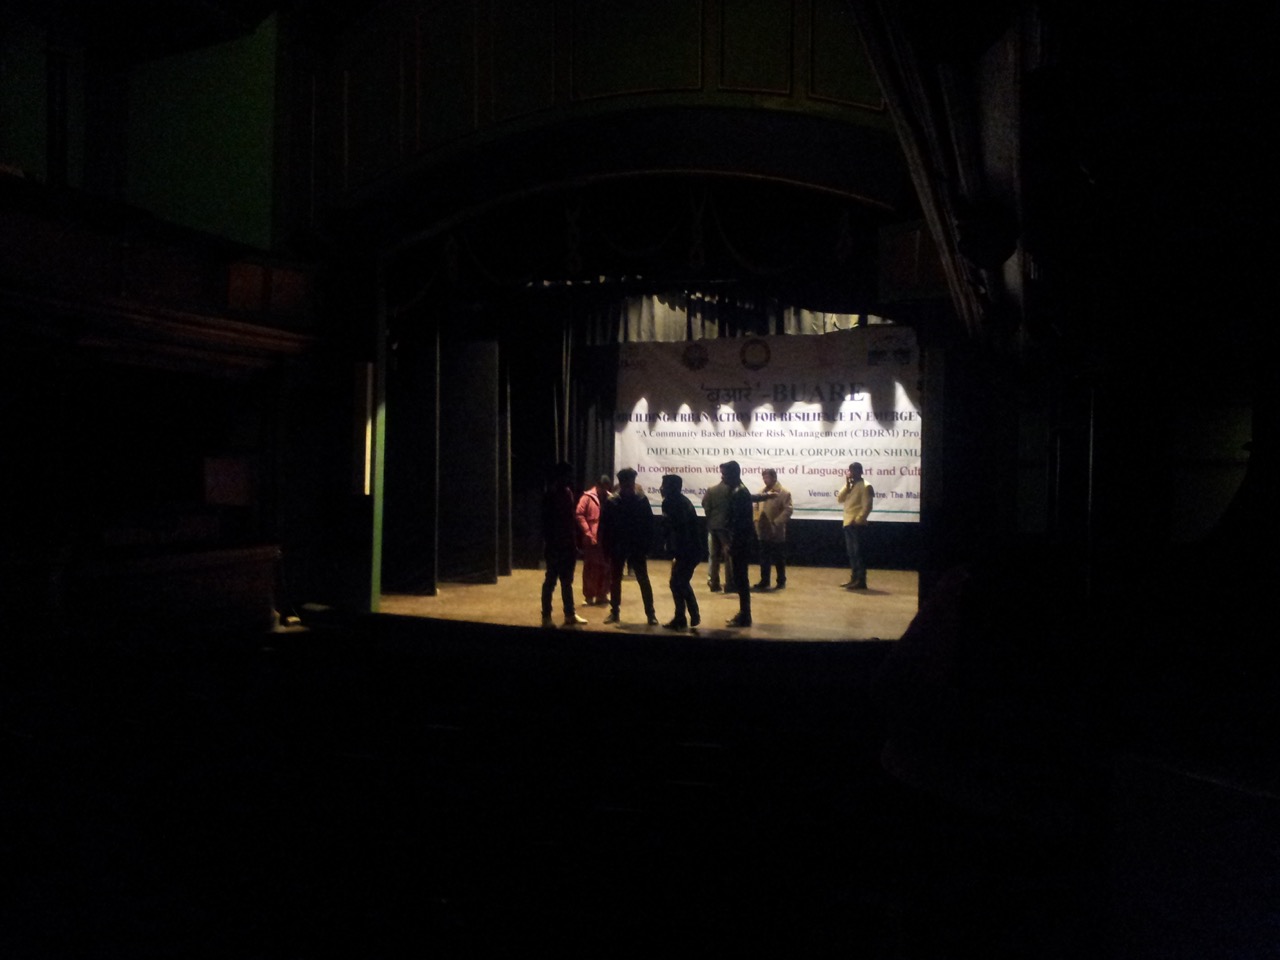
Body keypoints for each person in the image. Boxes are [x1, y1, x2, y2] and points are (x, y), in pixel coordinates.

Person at [600, 467, 658, 625]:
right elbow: (605, 527)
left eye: (631, 483)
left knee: (643, 579)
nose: (629, 486)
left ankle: (650, 613)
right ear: (622, 483)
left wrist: (647, 546)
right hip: (618, 545)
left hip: (636, 545)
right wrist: (606, 548)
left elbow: (649, 525)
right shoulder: (612, 501)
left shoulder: (641, 500)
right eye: (627, 483)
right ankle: (615, 612)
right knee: (616, 580)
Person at [541, 461, 587, 626]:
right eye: (567, 475)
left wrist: (574, 545)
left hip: (568, 546)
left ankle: (569, 614)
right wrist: (550, 545)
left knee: (567, 582)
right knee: (551, 581)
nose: (570, 478)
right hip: (555, 546)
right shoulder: (551, 494)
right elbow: (546, 524)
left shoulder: (568, 493)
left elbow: (570, 522)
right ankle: (546, 616)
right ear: (560, 476)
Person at [659, 473, 702, 630]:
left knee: (678, 582)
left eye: (664, 485)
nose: (661, 489)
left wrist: (675, 551)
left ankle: (691, 614)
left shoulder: (671, 503)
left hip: (687, 550)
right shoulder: (682, 501)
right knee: (678, 582)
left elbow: (677, 529)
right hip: (690, 550)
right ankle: (682, 617)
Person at [719, 460, 757, 627]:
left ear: (733, 474)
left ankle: (745, 615)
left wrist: (731, 544)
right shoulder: (738, 491)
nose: (722, 478)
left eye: (724, 474)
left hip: (740, 542)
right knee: (740, 578)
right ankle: (744, 613)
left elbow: (739, 523)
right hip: (741, 541)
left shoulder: (739, 493)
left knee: (741, 579)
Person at [751, 468, 793, 590]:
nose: (765, 480)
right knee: (764, 557)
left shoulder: (784, 492)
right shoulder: (761, 492)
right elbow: (756, 507)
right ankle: (764, 581)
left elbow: (788, 510)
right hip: (763, 530)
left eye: (767, 477)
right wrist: (756, 520)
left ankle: (781, 581)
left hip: (776, 530)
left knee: (779, 557)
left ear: (774, 478)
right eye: (763, 477)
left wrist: (776, 522)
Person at [575, 473, 612, 606]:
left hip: (606, 537)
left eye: (607, 487)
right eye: (603, 487)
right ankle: (589, 595)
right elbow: (579, 514)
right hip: (592, 536)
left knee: (606, 567)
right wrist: (587, 531)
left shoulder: (610, 498)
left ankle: (602, 594)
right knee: (591, 567)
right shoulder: (587, 497)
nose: (605, 490)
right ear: (598, 485)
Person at [836, 461, 873, 589]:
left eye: (854, 471)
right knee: (851, 553)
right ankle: (854, 578)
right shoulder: (850, 485)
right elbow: (839, 499)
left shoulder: (866, 486)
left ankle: (861, 580)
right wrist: (847, 485)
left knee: (858, 553)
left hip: (857, 525)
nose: (852, 473)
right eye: (850, 471)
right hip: (847, 523)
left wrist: (858, 520)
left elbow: (867, 506)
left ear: (860, 471)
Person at [701, 473, 733, 593]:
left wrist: (711, 516)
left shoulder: (711, 490)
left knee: (713, 556)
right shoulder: (732, 490)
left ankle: (713, 582)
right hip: (726, 528)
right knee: (729, 556)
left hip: (712, 526)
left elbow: (704, 504)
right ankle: (730, 583)